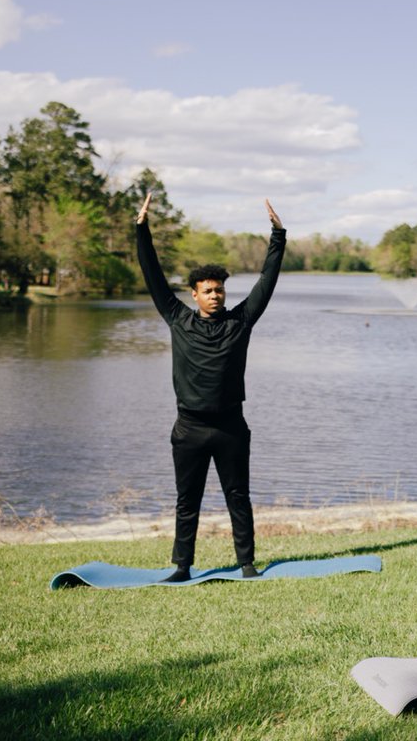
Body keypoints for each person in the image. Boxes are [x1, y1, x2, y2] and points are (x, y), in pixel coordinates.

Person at [135, 193, 286, 581]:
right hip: (189, 427)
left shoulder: (241, 322)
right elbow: (152, 275)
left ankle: (247, 564)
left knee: (238, 497)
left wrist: (278, 236)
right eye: (207, 290)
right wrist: (142, 229)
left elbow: (266, 284)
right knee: (188, 501)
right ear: (195, 295)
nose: (215, 295)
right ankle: (182, 567)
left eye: (219, 289)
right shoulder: (176, 319)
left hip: (231, 426)